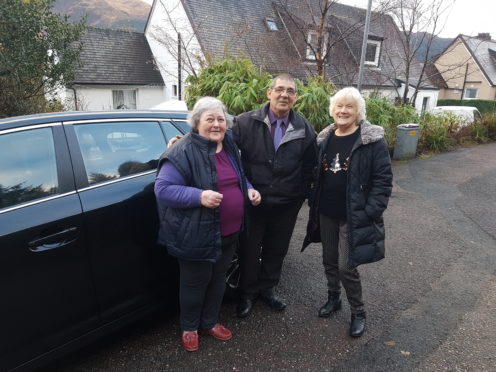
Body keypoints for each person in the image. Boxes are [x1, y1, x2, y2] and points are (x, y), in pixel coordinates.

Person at [154, 97, 261, 352]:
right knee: (194, 283)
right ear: (196, 122)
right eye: (210, 119)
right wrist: (199, 196)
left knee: (218, 280)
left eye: (221, 119)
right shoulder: (181, 151)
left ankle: (210, 322)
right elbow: (163, 189)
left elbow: (238, 178)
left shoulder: (229, 145)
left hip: (229, 232)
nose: (216, 124)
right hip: (197, 233)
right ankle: (189, 327)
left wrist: (249, 189)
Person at [302, 87, 393, 337]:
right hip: (326, 212)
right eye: (339, 106)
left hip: (354, 216)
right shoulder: (324, 139)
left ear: (358, 111)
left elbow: (383, 181)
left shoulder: (370, 141)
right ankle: (334, 298)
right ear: (333, 110)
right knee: (329, 261)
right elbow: (315, 173)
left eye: (349, 107)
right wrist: (313, 198)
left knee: (346, 266)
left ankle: (358, 311)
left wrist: (370, 212)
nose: (343, 111)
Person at [233, 74, 317, 318]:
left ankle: (267, 290)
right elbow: (229, 155)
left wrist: (299, 195)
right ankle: (247, 294)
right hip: (253, 202)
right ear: (269, 93)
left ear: (296, 98)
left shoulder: (304, 128)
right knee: (249, 250)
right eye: (279, 89)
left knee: (276, 249)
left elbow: (309, 166)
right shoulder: (245, 123)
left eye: (290, 91)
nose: (284, 95)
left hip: (286, 204)